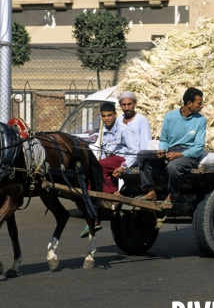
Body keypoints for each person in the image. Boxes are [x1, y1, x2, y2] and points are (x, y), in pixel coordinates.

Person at [135, 87, 206, 209]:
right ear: (189, 103)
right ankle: (150, 191)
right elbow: (164, 139)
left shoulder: (201, 120)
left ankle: (173, 194)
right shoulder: (170, 117)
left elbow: (198, 147)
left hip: (187, 155)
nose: (201, 106)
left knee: (173, 166)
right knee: (142, 155)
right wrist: (163, 150)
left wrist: (179, 155)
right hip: (171, 152)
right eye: (199, 103)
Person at [80, 101, 138, 238]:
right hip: (110, 162)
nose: (106, 119)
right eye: (103, 116)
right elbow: (106, 153)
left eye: (109, 115)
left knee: (96, 167)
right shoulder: (104, 131)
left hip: (122, 160)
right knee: (91, 181)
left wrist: (123, 167)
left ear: (115, 115)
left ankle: (115, 195)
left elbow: (135, 151)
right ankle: (94, 219)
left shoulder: (124, 129)